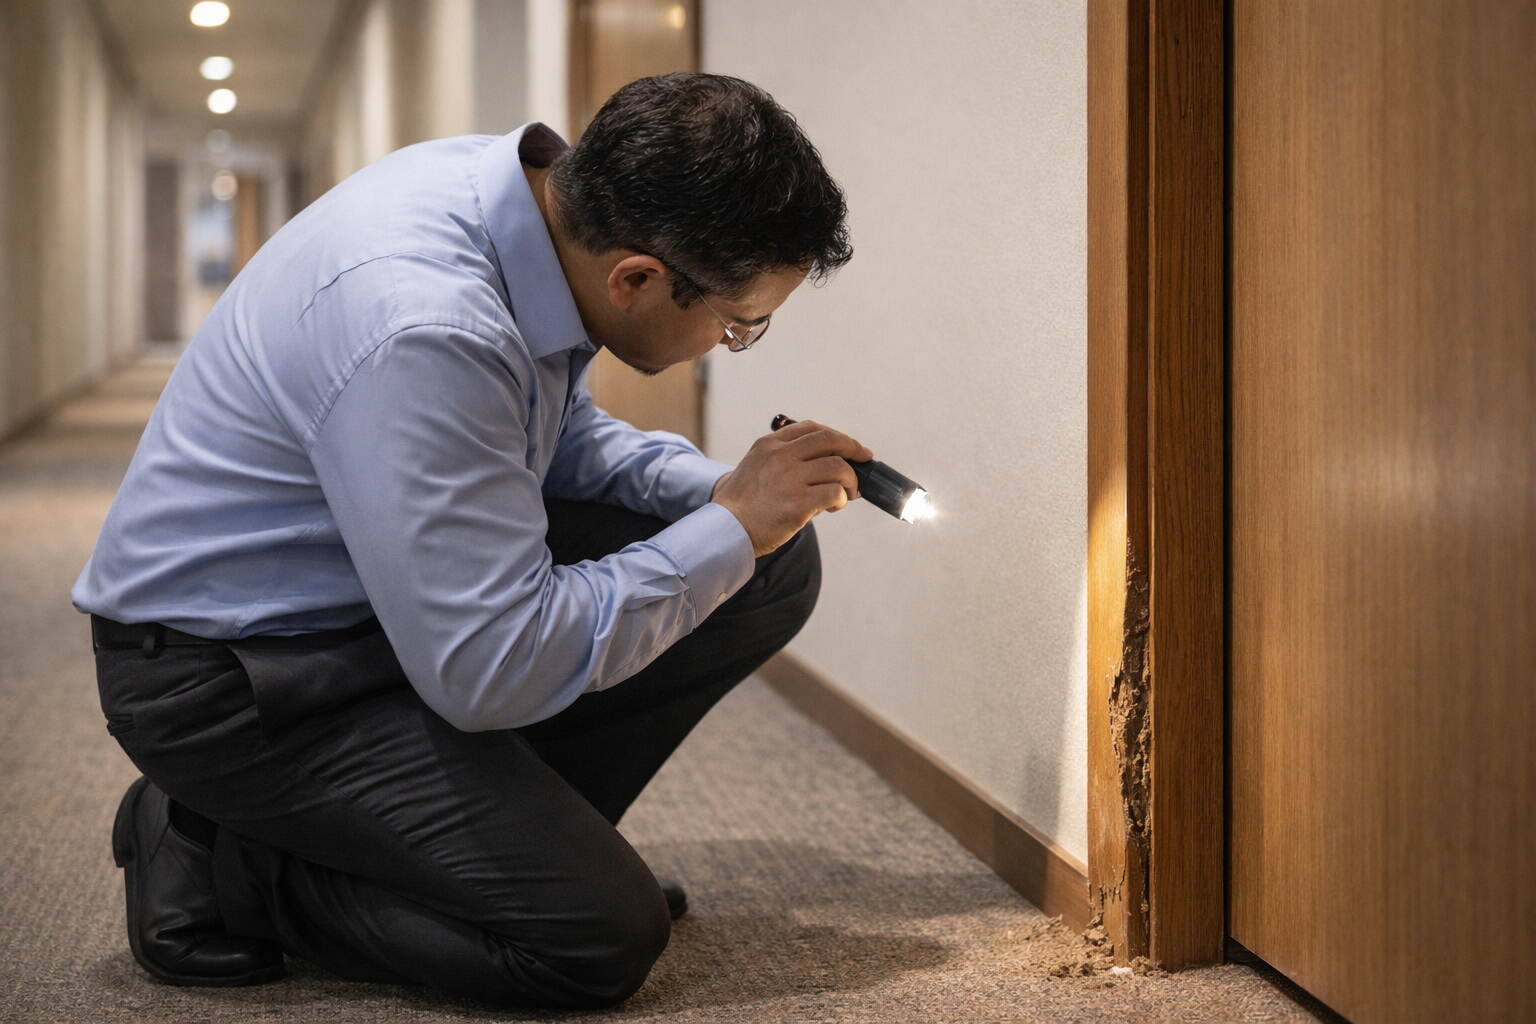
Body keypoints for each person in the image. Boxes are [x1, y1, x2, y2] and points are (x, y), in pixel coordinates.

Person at [71, 72, 875, 1010]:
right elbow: (492, 669)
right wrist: (732, 524)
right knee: (594, 940)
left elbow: (541, 434)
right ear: (637, 279)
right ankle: (222, 857)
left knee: (766, 566)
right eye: (739, 326)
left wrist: (728, 499)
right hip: (231, 680)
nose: (738, 340)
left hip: (365, 603)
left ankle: (495, 860)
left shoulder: (519, 205)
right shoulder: (427, 321)